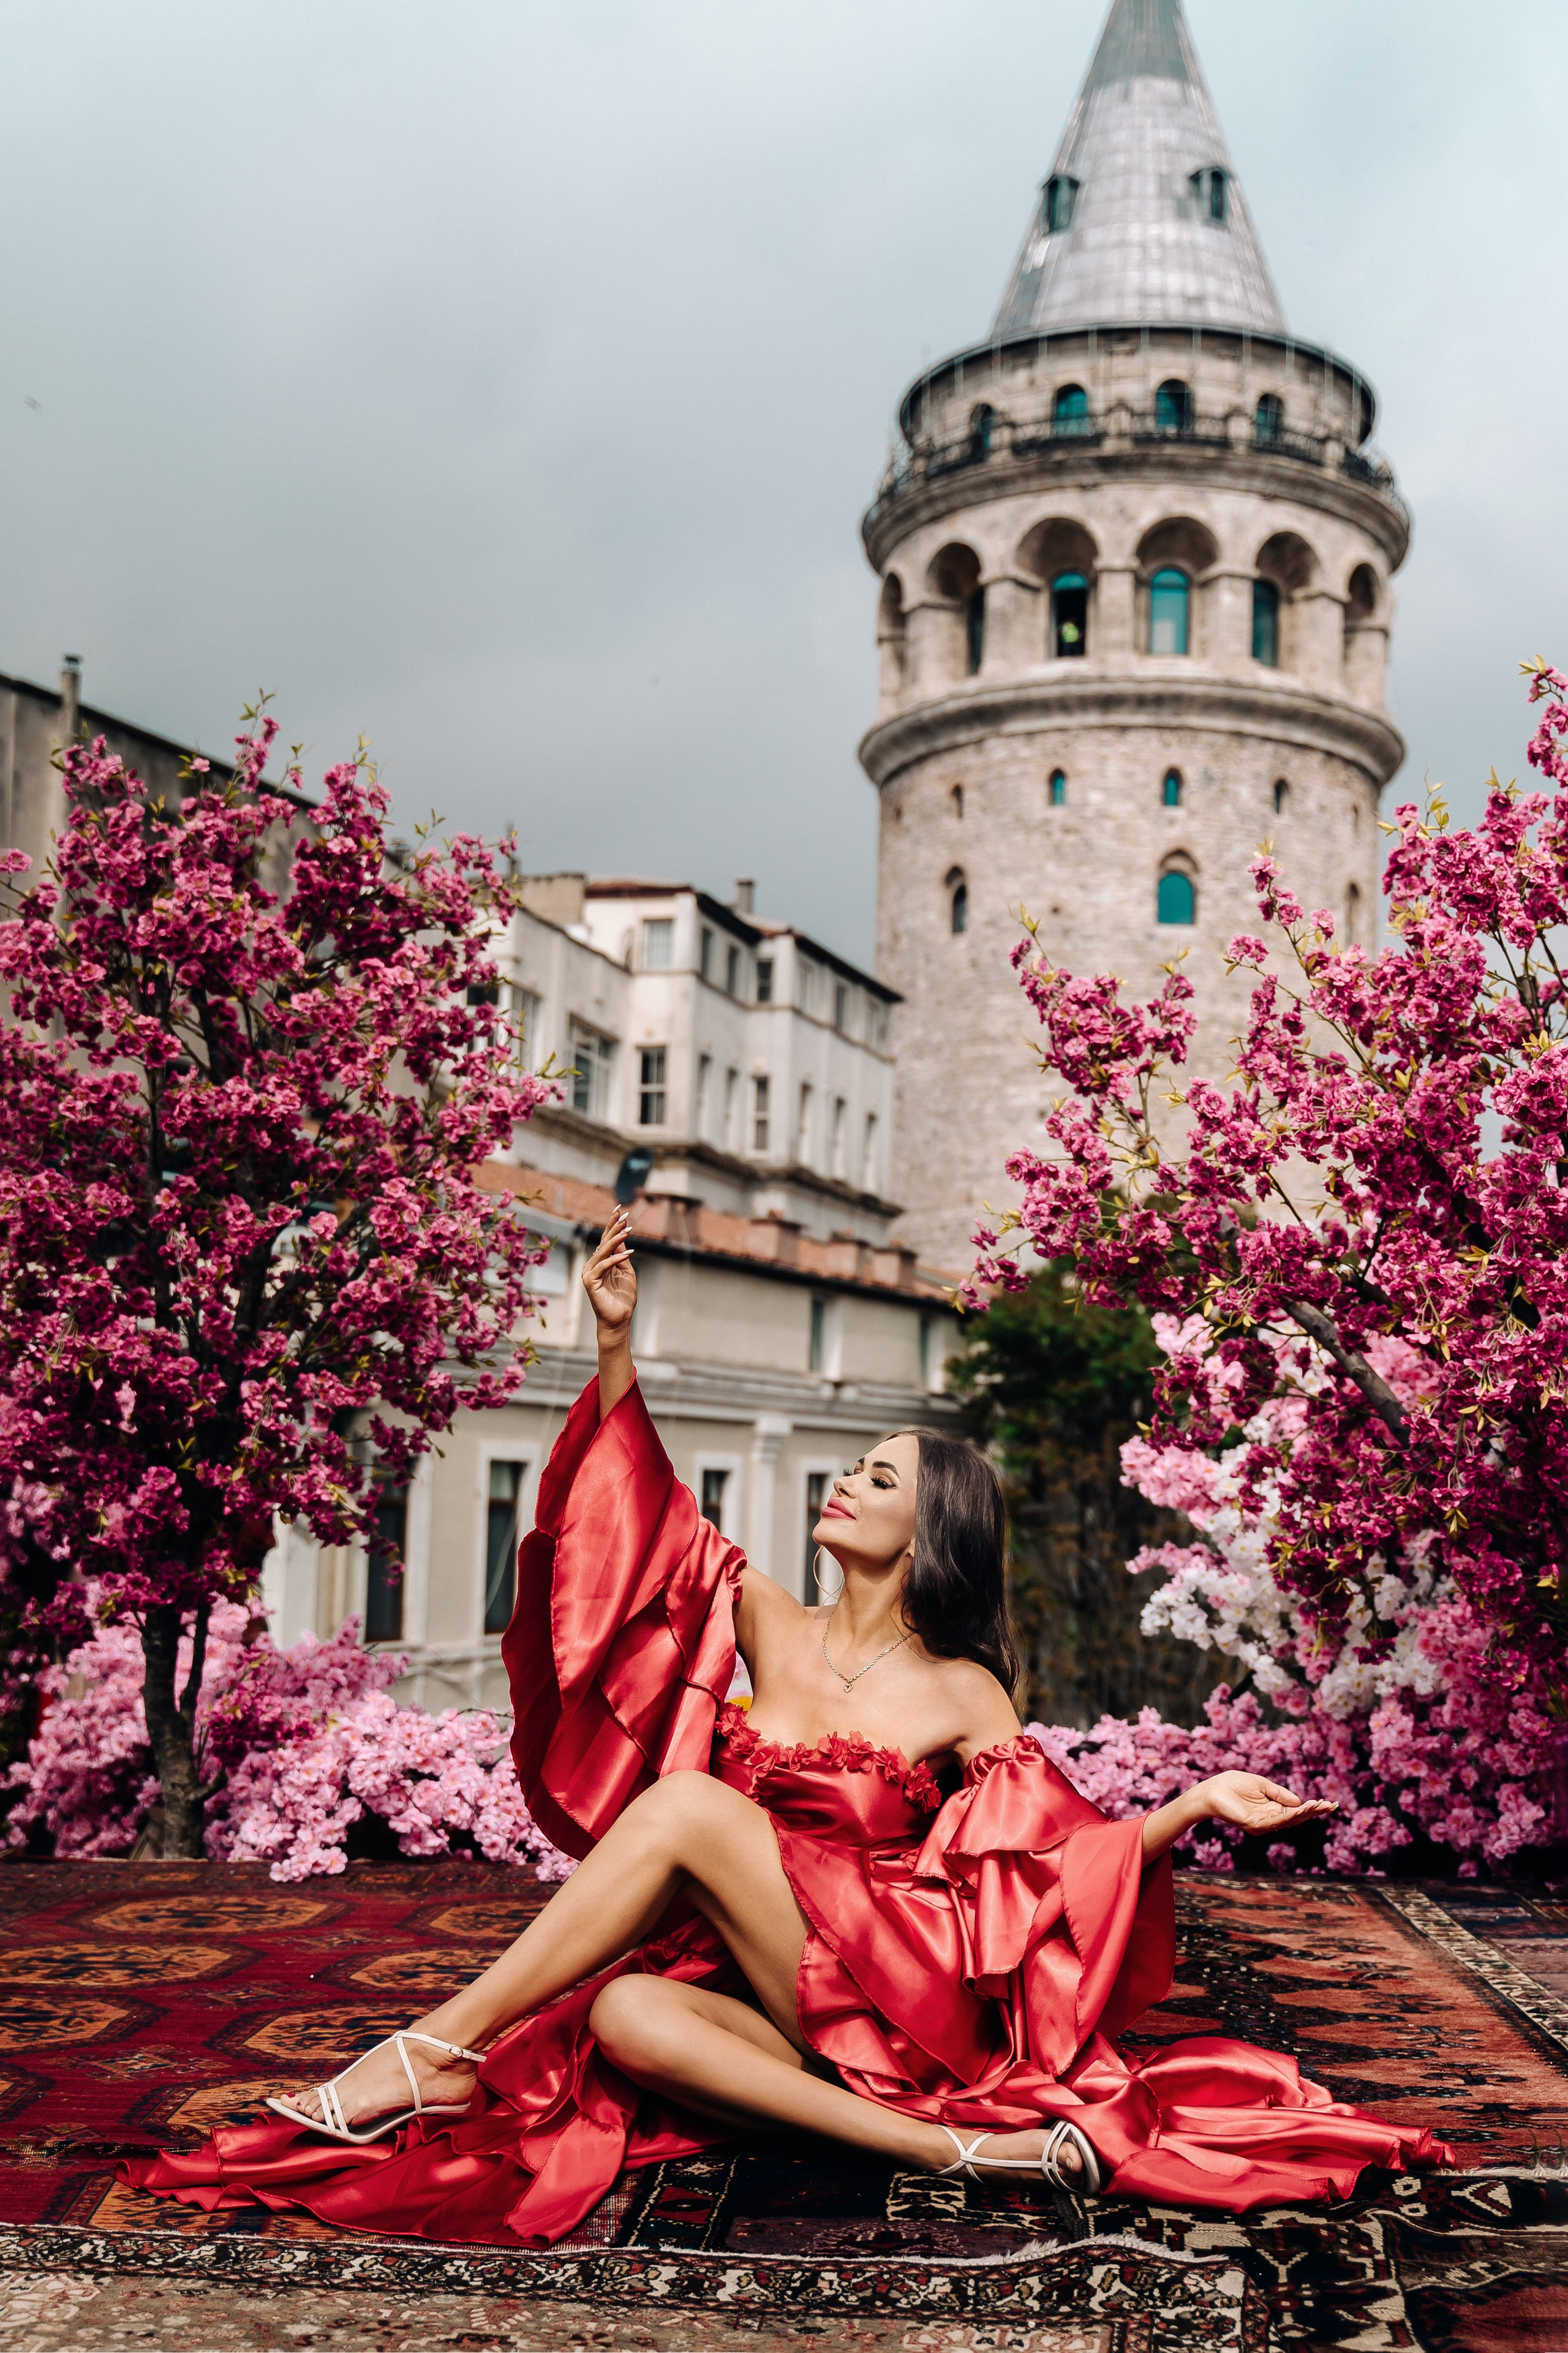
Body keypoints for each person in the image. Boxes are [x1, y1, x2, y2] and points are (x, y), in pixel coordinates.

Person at [125, 1210, 1450, 2245]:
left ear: (923, 1529)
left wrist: (1180, 1810)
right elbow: (627, 1527)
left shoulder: (961, 1692)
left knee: (699, 1809)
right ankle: (953, 2154)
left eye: (875, 1476)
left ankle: (424, 2054)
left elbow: (1045, 1870)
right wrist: (614, 1350)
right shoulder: (763, 1615)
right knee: (631, 2016)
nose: (843, 1481)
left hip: (906, 1985)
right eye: (850, 1465)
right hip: (777, 1984)